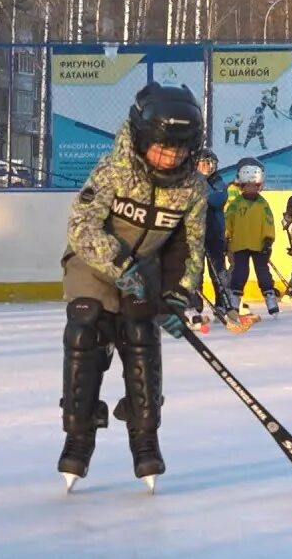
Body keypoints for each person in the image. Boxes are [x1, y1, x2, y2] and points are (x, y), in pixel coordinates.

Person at [57, 82, 208, 493]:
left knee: (140, 337)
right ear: (141, 139)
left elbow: (189, 247)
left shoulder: (192, 189)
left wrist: (179, 296)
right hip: (96, 265)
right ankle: (79, 431)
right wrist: (121, 266)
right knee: (85, 330)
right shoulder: (113, 171)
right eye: (162, 146)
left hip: (147, 276)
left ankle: (145, 436)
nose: (170, 156)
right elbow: (81, 227)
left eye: (179, 148)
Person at [224, 160, 278, 316]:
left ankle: (269, 297)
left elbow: (269, 223)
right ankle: (235, 300)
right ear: (241, 186)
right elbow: (229, 222)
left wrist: (268, 240)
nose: (251, 189)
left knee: (263, 272)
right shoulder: (235, 204)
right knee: (240, 273)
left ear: (259, 185)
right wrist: (226, 239)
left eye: (255, 186)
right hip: (240, 244)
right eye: (248, 185)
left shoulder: (263, 205)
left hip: (259, 244)